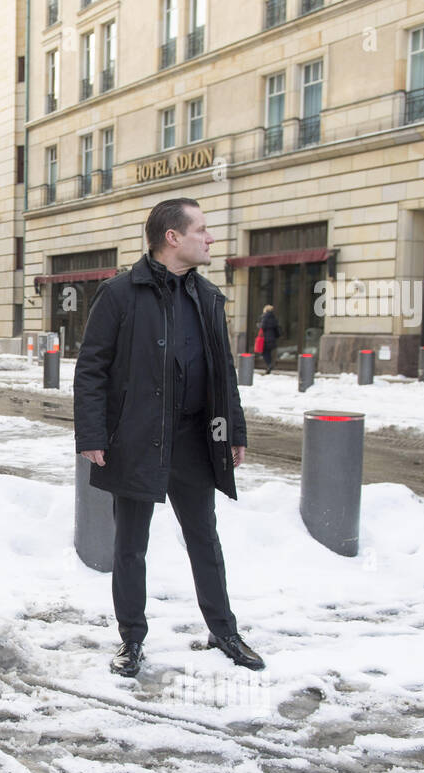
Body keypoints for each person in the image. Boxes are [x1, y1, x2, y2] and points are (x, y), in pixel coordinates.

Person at [74, 197, 265, 678]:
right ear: (172, 238)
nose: (211, 237)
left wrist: (232, 429)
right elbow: (91, 369)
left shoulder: (208, 297)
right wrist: (93, 435)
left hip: (196, 439)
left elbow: (223, 372)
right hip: (136, 440)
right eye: (202, 229)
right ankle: (131, 639)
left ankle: (223, 631)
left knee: (205, 537)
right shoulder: (119, 294)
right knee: (130, 546)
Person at [259, 304, 280, 373]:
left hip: (265, 338)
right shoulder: (274, 318)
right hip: (272, 338)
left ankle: (269, 365)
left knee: (264, 352)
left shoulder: (265, 317)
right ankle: (270, 365)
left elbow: (263, 326)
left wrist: (258, 325)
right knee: (269, 352)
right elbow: (276, 329)